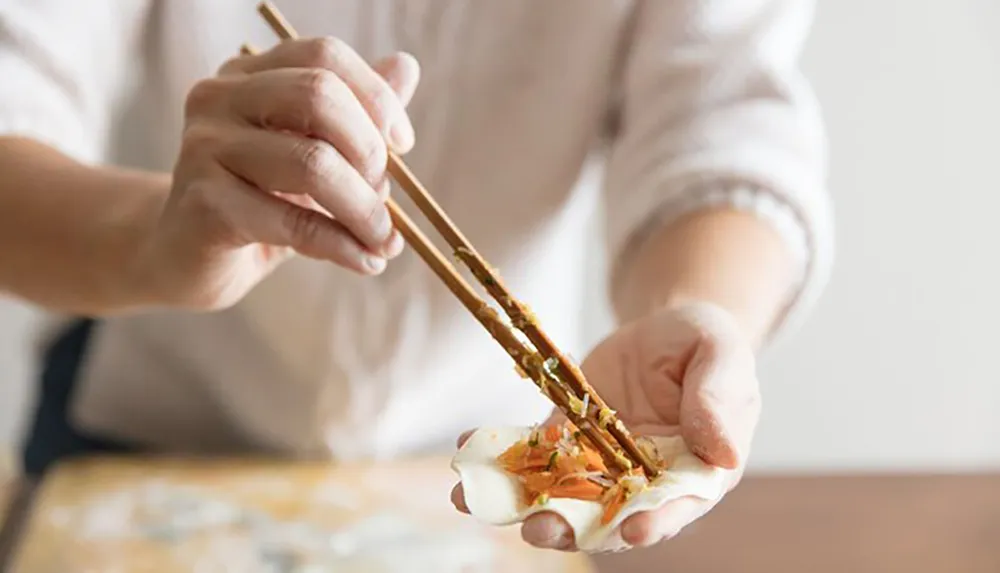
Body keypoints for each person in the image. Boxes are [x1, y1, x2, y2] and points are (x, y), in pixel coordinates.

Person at [0, 0, 831, 552]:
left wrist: (691, 310)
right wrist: (156, 238)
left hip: (509, 460)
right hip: (143, 425)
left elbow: (720, 115)